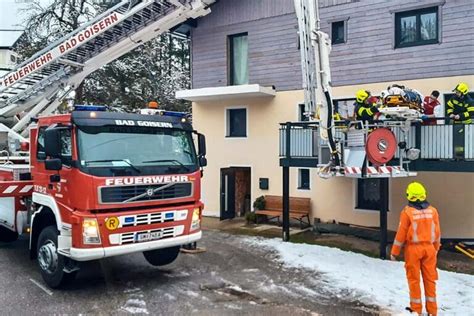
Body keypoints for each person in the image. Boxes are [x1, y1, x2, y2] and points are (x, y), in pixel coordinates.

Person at [391, 182, 441, 316]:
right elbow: (437, 232)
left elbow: (401, 234)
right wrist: (436, 248)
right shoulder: (433, 211)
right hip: (429, 249)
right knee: (430, 279)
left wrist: (394, 252)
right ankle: (432, 311)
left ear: (409, 196)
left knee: (414, 280)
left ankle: (416, 309)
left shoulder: (407, 213)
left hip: (413, 249)